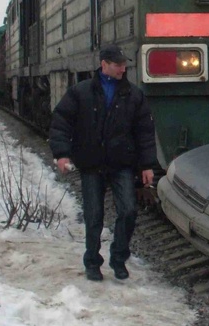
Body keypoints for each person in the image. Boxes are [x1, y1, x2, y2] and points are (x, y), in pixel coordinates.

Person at [49, 45, 156, 282]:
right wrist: (62, 153)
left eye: (124, 64)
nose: (123, 68)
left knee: (128, 210)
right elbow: (61, 122)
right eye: (118, 64)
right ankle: (92, 262)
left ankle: (118, 258)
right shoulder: (80, 92)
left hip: (121, 164)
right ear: (104, 64)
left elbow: (145, 131)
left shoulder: (134, 95)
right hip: (91, 163)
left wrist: (146, 165)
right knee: (94, 216)